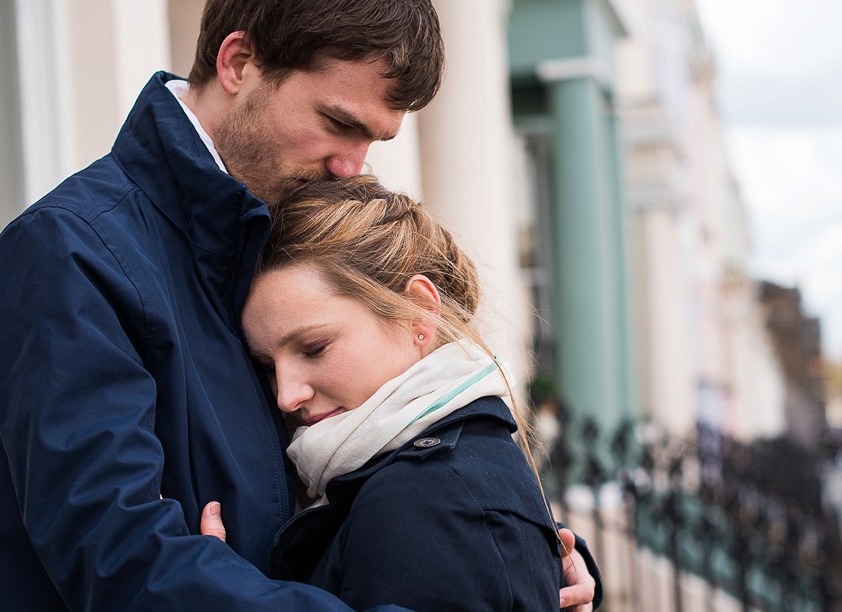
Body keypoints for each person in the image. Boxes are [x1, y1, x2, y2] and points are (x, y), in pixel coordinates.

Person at [0, 0, 598, 610]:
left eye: (372, 140)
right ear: (239, 63)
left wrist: (509, 557)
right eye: (338, 123)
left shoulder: (276, 221)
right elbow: (115, 555)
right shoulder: (72, 250)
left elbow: (386, 450)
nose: (352, 168)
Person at [200, 175, 573, 609]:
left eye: (314, 348)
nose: (287, 396)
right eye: (267, 366)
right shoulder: (414, 474)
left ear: (418, 313)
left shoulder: (428, 499)